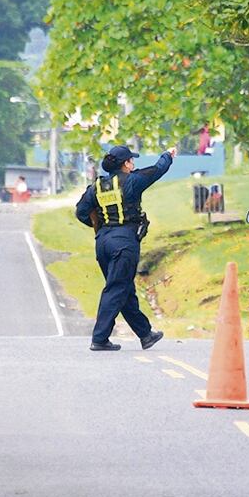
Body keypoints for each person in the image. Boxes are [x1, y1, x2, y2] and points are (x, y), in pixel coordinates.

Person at [75, 143, 177, 352]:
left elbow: (81, 212)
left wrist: (101, 226)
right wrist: (168, 155)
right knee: (116, 289)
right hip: (124, 243)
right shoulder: (132, 181)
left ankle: (145, 334)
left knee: (124, 289)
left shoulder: (96, 187)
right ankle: (100, 338)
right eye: (132, 160)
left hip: (103, 243)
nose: (134, 163)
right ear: (126, 164)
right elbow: (157, 170)